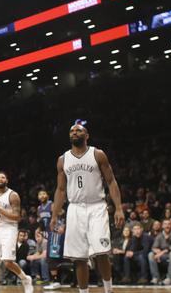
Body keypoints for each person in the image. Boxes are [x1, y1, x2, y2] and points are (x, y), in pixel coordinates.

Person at [50, 122, 125, 293]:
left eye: (78, 130)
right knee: (79, 257)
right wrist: (54, 215)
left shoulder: (97, 154)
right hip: (75, 208)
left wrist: (118, 208)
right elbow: (61, 190)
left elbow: (111, 181)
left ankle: (108, 290)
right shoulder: (62, 160)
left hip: (96, 207)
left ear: (87, 135)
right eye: (71, 131)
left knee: (101, 252)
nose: (74, 132)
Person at [0, 171, 33, 293]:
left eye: (3, 177)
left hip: (9, 228)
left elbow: (17, 217)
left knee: (8, 262)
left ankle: (25, 279)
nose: (1, 179)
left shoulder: (13, 195)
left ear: (7, 180)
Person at [148, 219, 171, 285]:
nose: (167, 226)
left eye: (169, 224)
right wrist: (157, 252)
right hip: (163, 256)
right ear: (162, 226)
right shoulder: (159, 235)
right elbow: (154, 247)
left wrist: (162, 252)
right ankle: (156, 278)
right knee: (150, 254)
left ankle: (170, 278)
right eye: (165, 224)